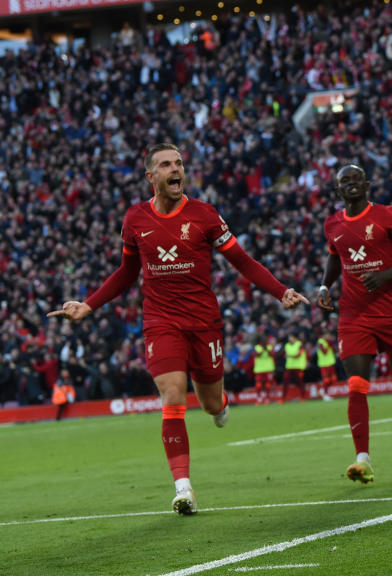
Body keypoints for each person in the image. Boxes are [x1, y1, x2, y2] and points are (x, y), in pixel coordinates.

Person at [46, 143, 309, 515]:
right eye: (166, 165)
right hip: (161, 322)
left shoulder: (204, 215)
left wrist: (280, 291)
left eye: (179, 163)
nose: (176, 169)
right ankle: (183, 488)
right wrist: (88, 305)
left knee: (210, 404)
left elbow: (242, 261)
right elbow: (126, 273)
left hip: (204, 323)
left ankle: (221, 406)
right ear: (150, 176)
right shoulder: (135, 220)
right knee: (172, 396)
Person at [318, 164, 392, 485]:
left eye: (356, 179)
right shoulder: (332, 224)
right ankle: (362, 459)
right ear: (339, 190)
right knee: (356, 383)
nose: (351, 185)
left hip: (389, 312)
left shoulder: (386, 216)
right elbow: (333, 256)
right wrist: (325, 286)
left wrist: (385, 275)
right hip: (353, 316)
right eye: (345, 182)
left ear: (367, 184)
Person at [282, 331, 308, 401]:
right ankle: (283, 398)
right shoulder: (287, 345)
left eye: (290, 337)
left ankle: (303, 397)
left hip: (298, 367)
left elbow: (299, 354)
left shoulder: (300, 344)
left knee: (300, 382)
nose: (289, 339)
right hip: (289, 366)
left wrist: (289, 356)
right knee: (285, 382)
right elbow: (283, 354)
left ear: (295, 338)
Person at [252, 336, 277, 405]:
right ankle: (259, 398)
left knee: (268, 384)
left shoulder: (269, 347)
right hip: (259, 369)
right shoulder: (257, 347)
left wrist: (266, 349)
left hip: (268, 368)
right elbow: (256, 355)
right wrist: (263, 349)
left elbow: (273, 354)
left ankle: (267, 398)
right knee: (258, 385)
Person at [316, 332, 337, 401]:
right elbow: (324, 352)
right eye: (327, 335)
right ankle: (325, 395)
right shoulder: (320, 341)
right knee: (326, 380)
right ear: (324, 335)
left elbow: (333, 350)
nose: (329, 336)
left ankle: (323, 390)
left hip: (330, 363)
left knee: (333, 379)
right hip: (324, 364)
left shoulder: (328, 342)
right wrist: (329, 343)